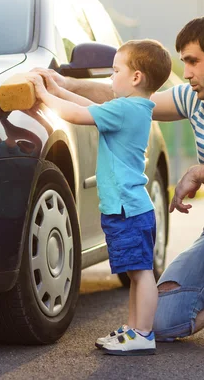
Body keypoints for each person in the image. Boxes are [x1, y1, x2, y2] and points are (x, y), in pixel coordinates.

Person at [35, 15, 204, 354]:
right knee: (158, 322)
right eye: (183, 63)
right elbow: (127, 99)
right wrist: (61, 84)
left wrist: (201, 172)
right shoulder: (194, 97)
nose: (186, 72)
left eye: (193, 61)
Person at [26, 39, 172, 356]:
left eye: (115, 71)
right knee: (136, 272)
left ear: (136, 77)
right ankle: (136, 329)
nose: (109, 78)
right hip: (129, 208)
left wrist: (43, 95)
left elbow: (78, 114)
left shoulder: (124, 109)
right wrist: (55, 87)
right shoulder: (134, 108)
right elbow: (82, 104)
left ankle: (144, 333)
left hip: (128, 209)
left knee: (141, 273)